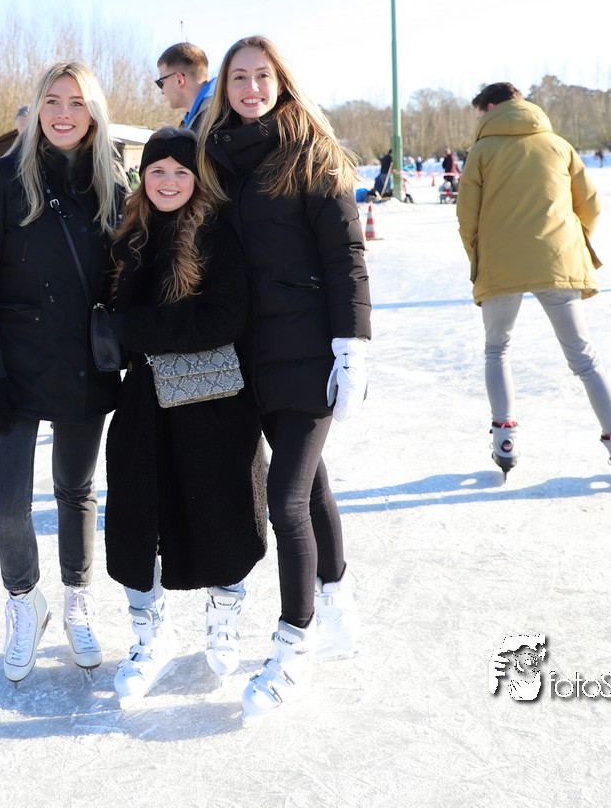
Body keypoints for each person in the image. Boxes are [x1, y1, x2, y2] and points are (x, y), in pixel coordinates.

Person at [197, 35, 369, 722]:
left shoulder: (312, 153)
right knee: (312, 485)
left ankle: (293, 645)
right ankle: (338, 602)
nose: (251, 88)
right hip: (248, 356)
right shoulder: (214, 159)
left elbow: (346, 256)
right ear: (224, 88)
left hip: (309, 352)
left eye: (262, 76)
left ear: (281, 82)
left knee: (287, 500)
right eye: (239, 77)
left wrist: (352, 347)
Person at [0, 59, 125, 683]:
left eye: (76, 103)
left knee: (76, 490)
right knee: (7, 503)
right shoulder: (1, 181)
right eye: (53, 100)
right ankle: (25, 599)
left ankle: (78, 596)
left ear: (93, 114)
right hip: (12, 367)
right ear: (35, 109)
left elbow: (125, 281)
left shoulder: (111, 184)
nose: (63, 113)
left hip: (83, 364)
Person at [104, 128, 266, 707]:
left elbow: (224, 318)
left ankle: (224, 619)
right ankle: (150, 635)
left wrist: (135, 330)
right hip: (145, 405)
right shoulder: (129, 236)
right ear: (142, 177)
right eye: (157, 171)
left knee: (220, 513)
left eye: (181, 171)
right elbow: (112, 316)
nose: (168, 182)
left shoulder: (218, 232)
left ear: (198, 178)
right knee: (136, 520)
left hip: (213, 404)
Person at [457, 82, 611, 486]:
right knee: (584, 357)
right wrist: (570, 241)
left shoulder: (482, 152)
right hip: (557, 259)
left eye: (479, 112)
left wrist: (479, 256)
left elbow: (466, 216)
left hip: (501, 263)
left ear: (491, 106)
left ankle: (505, 437)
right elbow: (590, 204)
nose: (478, 120)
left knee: (497, 349)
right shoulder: (558, 145)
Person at [156, 42, 216, 131]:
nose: (162, 91)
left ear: (179, 79)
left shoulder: (216, 121)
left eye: (161, 83)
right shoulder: (199, 120)